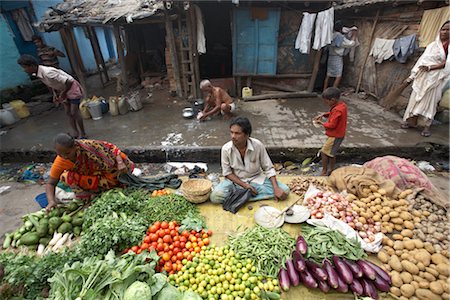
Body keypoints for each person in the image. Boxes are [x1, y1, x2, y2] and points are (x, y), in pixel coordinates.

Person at [45, 133, 134, 211]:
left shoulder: (89, 146)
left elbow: (112, 148)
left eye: (67, 153)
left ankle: (116, 184)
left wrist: (120, 163)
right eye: (60, 154)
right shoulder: (60, 161)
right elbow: (51, 183)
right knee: (66, 176)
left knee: (120, 170)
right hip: (94, 178)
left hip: (107, 172)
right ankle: (89, 194)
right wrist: (51, 201)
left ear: (75, 147)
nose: (64, 157)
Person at [210, 117, 289, 203]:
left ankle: (240, 197)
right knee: (215, 197)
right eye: (231, 132)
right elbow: (227, 173)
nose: (233, 136)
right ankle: (245, 195)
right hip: (236, 182)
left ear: (247, 135)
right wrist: (245, 186)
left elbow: (268, 168)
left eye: (237, 133)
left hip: (256, 179)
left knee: (285, 190)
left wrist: (276, 188)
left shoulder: (258, 145)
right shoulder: (226, 149)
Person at [17, 54, 87, 139]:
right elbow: (51, 83)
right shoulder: (38, 73)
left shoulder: (48, 72)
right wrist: (55, 94)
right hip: (62, 89)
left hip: (72, 88)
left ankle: (83, 134)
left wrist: (63, 93)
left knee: (74, 112)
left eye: (25, 67)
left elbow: (69, 81)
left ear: (32, 66)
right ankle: (75, 132)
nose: (24, 70)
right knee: (68, 112)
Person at [401, 21, 449, 137]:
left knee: (430, 103)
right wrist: (412, 76)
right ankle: (411, 121)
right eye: (443, 29)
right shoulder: (432, 45)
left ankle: (426, 126)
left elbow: (447, 64)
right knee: (415, 100)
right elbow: (421, 61)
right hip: (422, 77)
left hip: (436, 78)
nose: (445, 32)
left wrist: (430, 67)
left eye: (448, 29)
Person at [314, 87, 348, 176]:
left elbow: (332, 125)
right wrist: (324, 114)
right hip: (338, 134)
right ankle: (330, 169)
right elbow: (333, 113)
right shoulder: (342, 106)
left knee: (324, 152)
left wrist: (321, 123)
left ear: (332, 100)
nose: (326, 103)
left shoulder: (337, 110)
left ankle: (325, 170)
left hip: (335, 135)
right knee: (331, 153)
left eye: (326, 101)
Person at [323, 21, 357, 91]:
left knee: (328, 74)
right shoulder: (340, 37)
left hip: (330, 57)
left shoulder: (331, 35)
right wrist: (354, 36)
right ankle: (333, 92)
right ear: (341, 28)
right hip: (337, 57)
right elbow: (350, 44)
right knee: (338, 75)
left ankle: (324, 90)